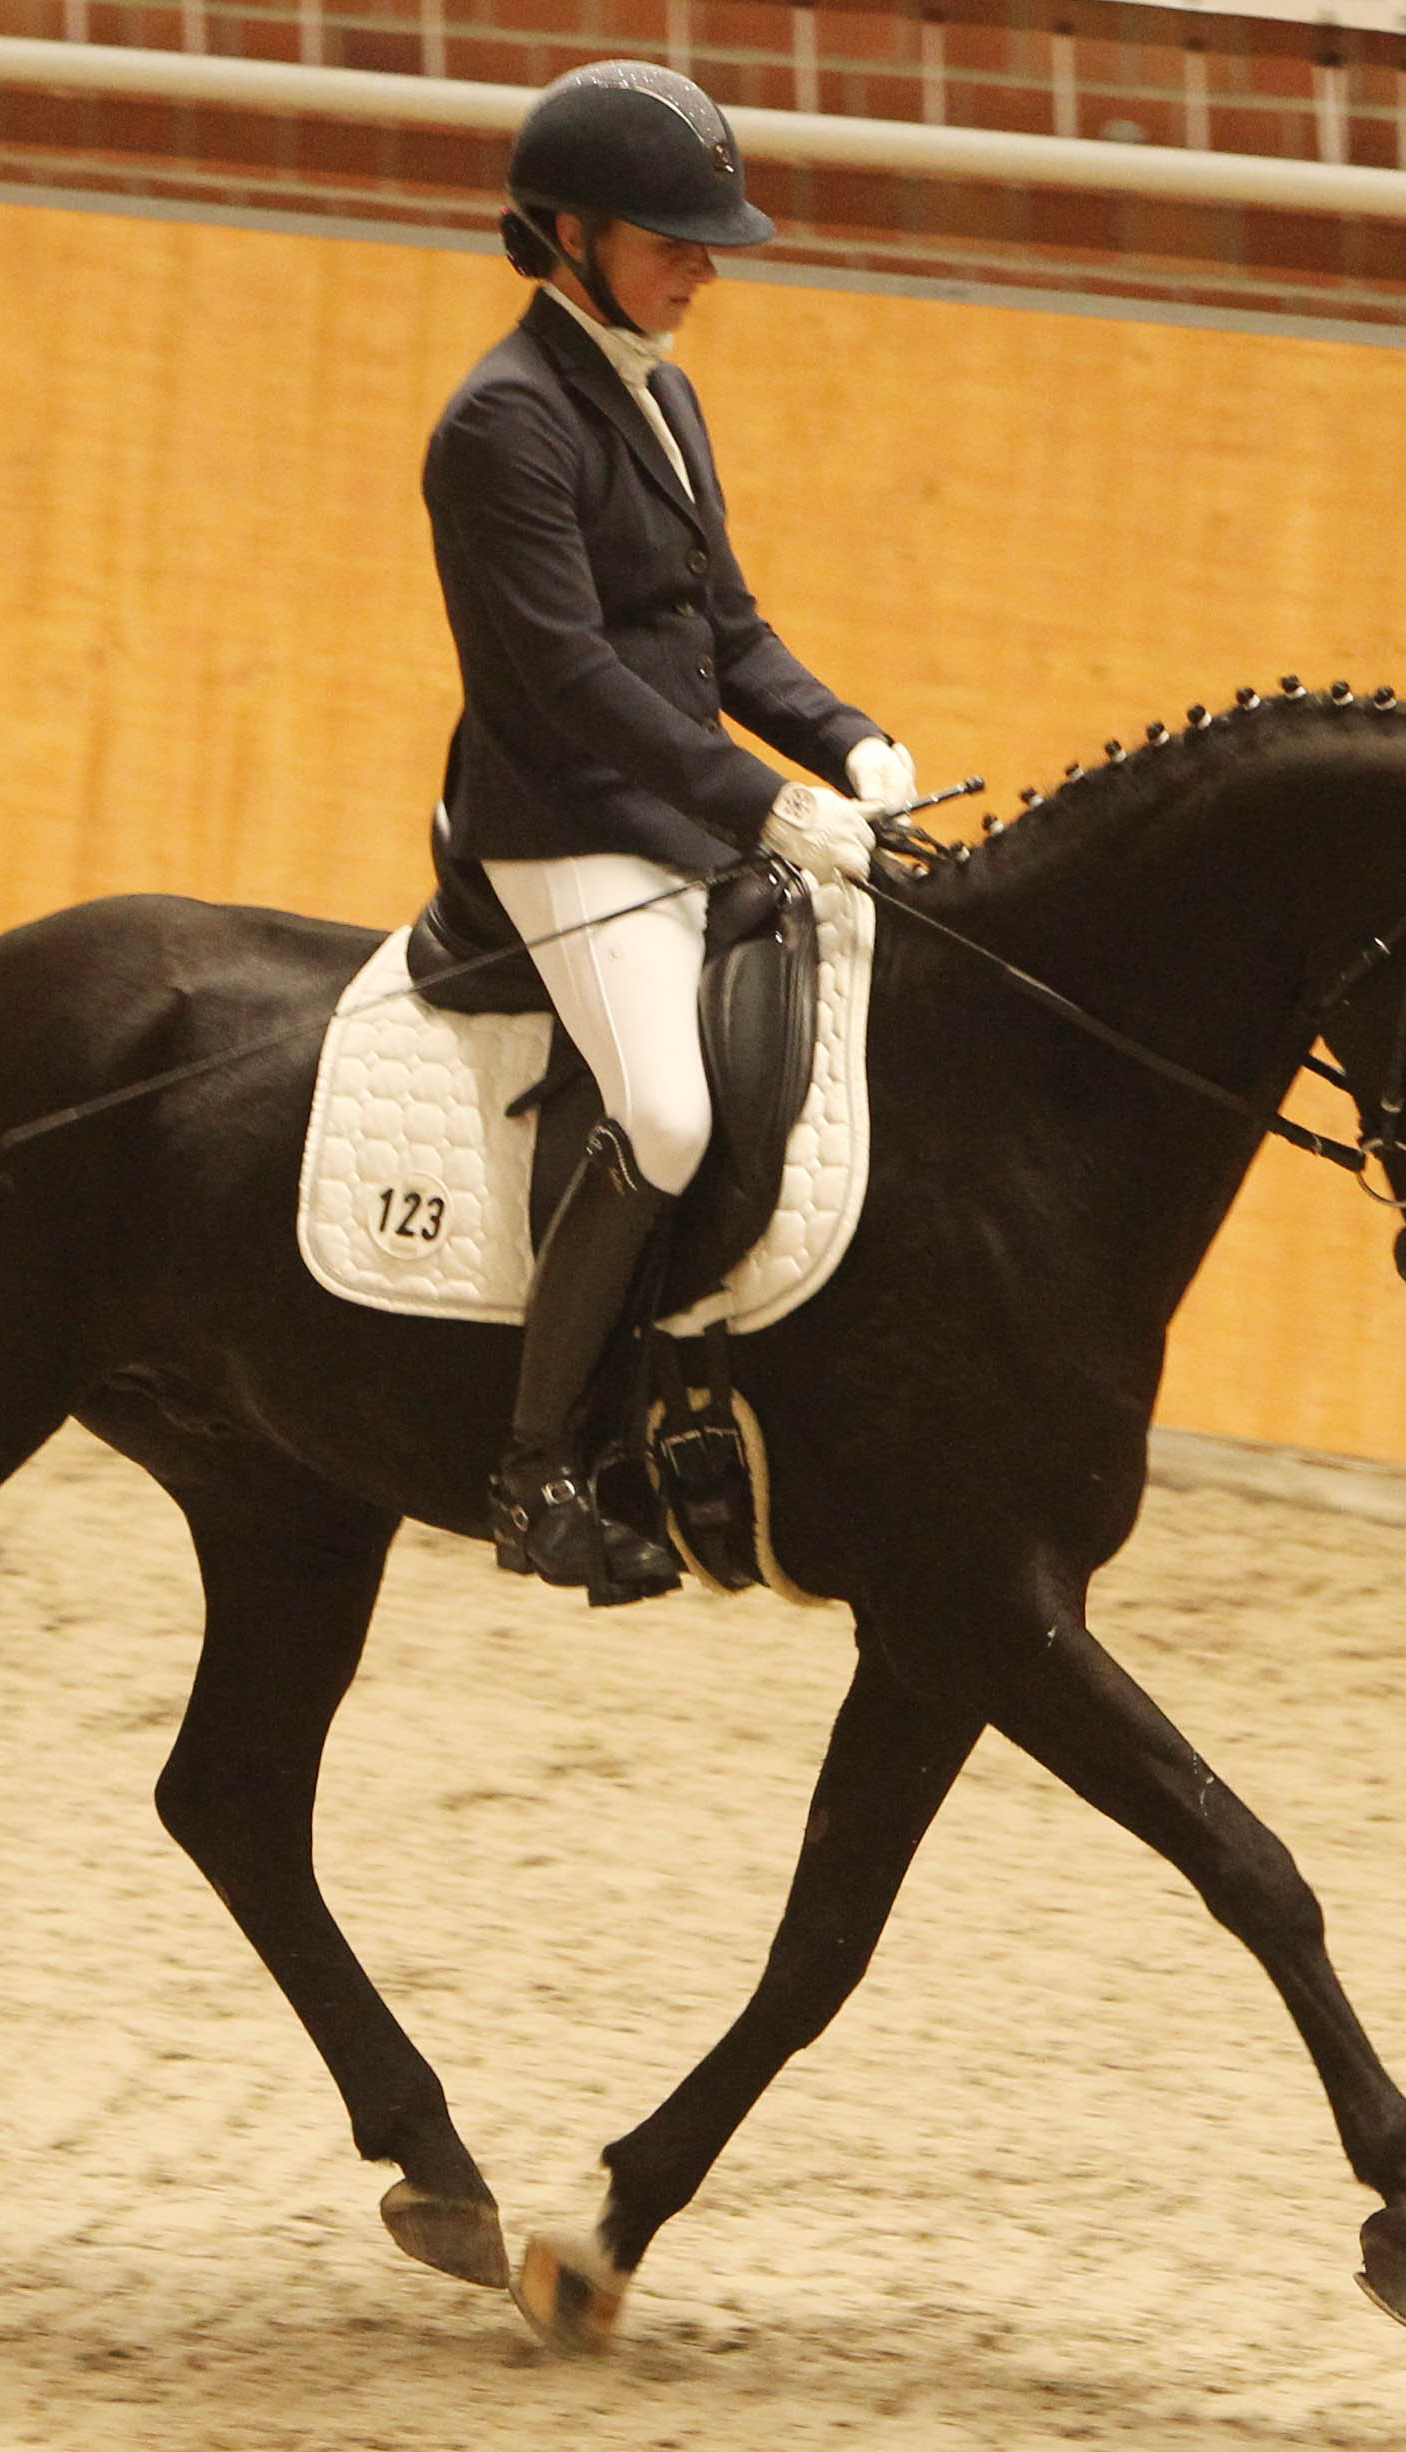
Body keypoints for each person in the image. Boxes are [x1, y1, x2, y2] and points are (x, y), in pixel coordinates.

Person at [422, 59, 917, 1599]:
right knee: (672, 1114)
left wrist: (849, 737)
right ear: (567, 235)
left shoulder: (661, 391)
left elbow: (725, 629)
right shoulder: (500, 426)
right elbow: (568, 682)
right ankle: (537, 1468)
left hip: (674, 811)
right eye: (673, 238)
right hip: (560, 821)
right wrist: (764, 800)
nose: (705, 267)